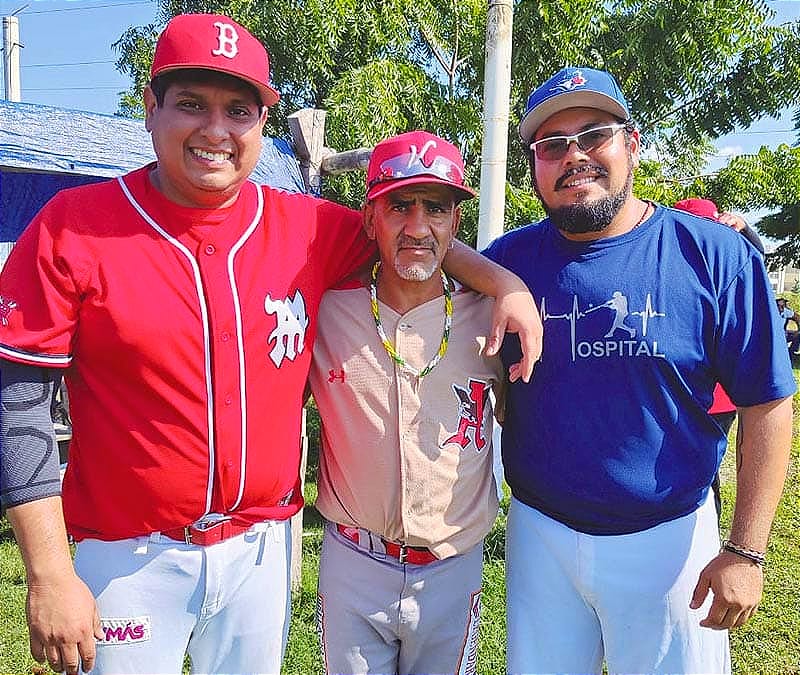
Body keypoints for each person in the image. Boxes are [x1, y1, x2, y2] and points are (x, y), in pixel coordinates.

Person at [0, 14, 542, 675]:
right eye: (192, 103)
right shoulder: (72, 228)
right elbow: (17, 402)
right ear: (150, 107)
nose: (217, 130)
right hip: (128, 557)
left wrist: (504, 282)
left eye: (239, 109)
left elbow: (414, 236)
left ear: (261, 122)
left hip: (263, 550)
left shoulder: (307, 225)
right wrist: (51, 572)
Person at [483, 66, 795, 674]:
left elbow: (769, 402)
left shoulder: (713, 255)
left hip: (669, 537)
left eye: (593, 134)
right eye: (552, 145)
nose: (574, 156)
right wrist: (496, 280)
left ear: (631, 144)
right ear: (534, 169)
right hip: (541, 534)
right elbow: (437, 257)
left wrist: (746, 551)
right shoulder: (511, 258)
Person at [308, 130, 503, 675]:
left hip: (452, 564)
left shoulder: (491, 317)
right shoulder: (327, 311)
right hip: (353, 561)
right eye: (399, 206)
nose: (418, 227)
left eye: (436, 208)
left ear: (455, 223)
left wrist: (510, 290)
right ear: (370, 218)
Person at [672, 197, 763, 517]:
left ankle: (707, 520)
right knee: (694, 464)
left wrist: (748, 232)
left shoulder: (727, 272)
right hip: (689, 393)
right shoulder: (673, 275)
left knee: (703, 467)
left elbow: (755, 262)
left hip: (719, 399)